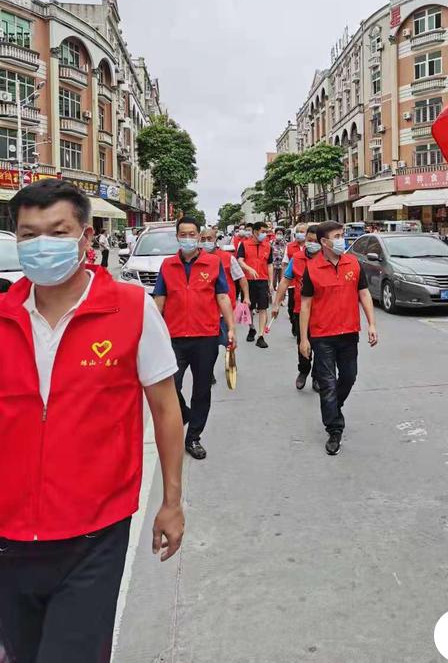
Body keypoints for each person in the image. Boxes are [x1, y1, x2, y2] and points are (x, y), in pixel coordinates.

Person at [0, 179, 184, 662]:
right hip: (7, 534)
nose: (42, 245)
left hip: (94, 532)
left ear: (86, 238)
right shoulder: (0, 317)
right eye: (28, 235)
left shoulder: (131, 308)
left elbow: (166, 408)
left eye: (57, 232)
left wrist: (172, 501)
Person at [153, 216, 235, 460]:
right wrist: (151, 331)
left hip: (206, 337)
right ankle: (185, 414)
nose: (187, 238)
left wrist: (230, 328)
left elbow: (222, 297)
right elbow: (159, 300)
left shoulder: (213, 263)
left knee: (202, 390)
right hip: (174, 337)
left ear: (199, 237)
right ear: (177, 236)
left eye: (192, 234)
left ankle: (193, 437)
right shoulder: (167, 265)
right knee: (169, 386)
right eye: (183, 234)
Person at [299, 220, 378, 456]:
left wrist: (372, 324)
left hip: (349, 332)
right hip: (322, 335)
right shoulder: (312, 268)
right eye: (337, 235)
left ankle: (334, 406)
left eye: (342, 235)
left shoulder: (353, 263)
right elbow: (305, 305)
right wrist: (304, 339)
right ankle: (334, 429)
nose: (341, 239)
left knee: (349, 377)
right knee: (328, 383)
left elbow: (363, 293)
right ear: (324, 241)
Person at [272, 224, 321, 392]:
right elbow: (285, 281)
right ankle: (304, 370)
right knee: (303, 344)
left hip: (324, 312)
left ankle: (317, 376)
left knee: (321, 347)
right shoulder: (297, 258)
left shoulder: (326, 258)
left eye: (315, 241)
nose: (311, 243)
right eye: (309, 240)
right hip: (302, 311)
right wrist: (276, 303)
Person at [200, 227, 249, 356]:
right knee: (208, 346)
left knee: (229, 340)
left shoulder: (228, 258)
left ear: (215, 239)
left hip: (225, 309)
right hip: (205, 310)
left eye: (209, 239)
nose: (206, 242)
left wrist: (246, 297)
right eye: (203, 239)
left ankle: (231, 364)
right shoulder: (197, 259)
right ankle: (208, 373)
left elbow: (241, 278)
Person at [237, 221, 274, 349]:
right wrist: (249, 269)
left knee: (263, 308)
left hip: (262, 280)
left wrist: (270, 282)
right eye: (262, 231)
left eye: (266, 232)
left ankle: (261, 336)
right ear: (255, 231)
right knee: (248, 308)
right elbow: (240, 260)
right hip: (248, 280)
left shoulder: (268, 246)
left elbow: (270, 264)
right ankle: (251, 328)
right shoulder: (244, 244)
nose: (265, 234)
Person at [285, 223, 307, 335]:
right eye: (298, 231)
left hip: (306, 283)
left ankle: (302, 327)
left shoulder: (312, 247)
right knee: (292, 307)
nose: (300, 233)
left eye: (302, 231)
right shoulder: (289, 247)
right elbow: (285, 265)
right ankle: (294, 323)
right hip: (292, 283)